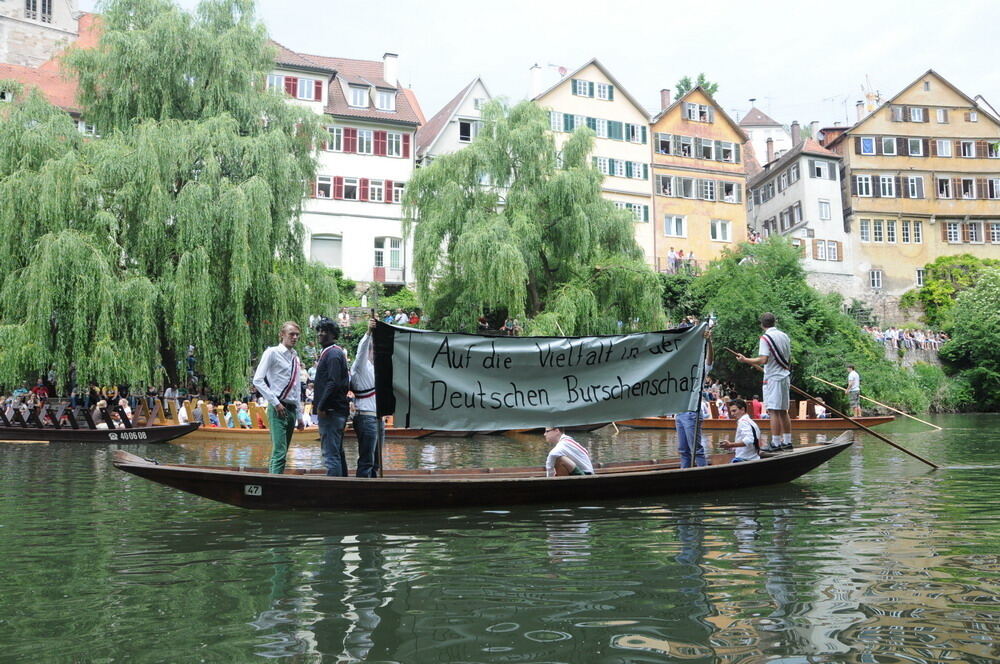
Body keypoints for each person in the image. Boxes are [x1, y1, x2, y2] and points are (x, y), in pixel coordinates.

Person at [735, 312, 793, 451]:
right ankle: (787, 442)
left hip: (773, 378)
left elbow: (763, 359)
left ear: (762, 324)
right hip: (785, 376)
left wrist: (745, 360)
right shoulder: (784, 336)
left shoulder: (765, 338)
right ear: (775, 322)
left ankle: (776, 443)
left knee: (773, 411)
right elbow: (788, 358)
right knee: (783, 411)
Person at [252, 321, 305, 474]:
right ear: (282, 335)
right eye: (291, 334)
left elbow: (296, 388)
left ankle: (276, 480)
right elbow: (257, 380)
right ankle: (273, 485)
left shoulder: (295, 358)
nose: (294, 337)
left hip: (292, 410)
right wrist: (275, 403)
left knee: (284, 452)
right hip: (278, 408)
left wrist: (300, 416)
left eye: (297, 335)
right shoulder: (272, 353)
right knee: (279, 452)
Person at [312, 317, 351, 476]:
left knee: (330, 454)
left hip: (331, 411)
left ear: (333, 334)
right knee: (337, 452)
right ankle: (344, 486)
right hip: (335, 410)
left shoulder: (333, 354)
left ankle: (334, 491)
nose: (321, 334)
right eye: (320, 331)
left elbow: (333, 382)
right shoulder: (332, 353)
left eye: (325, 331)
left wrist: (321, 406)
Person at [675, 325, 713, 468]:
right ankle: (684, 474)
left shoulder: (699, 368)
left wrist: (709, 342)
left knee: (696, 450)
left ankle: (703, 475)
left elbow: (709, 361)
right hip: (679, 412)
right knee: (683, 450)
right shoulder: (678, 369)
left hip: (692, 412)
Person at [350, 319, 382, 478]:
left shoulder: (376, 369)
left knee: (376, 461)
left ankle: (375, 487)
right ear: (371, 351)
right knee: (367, 460)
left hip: (377, 418)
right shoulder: (360, 367)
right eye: (375, 350)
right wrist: (368, 332)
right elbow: (361, 351)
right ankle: (362, 488)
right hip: (366, 417)